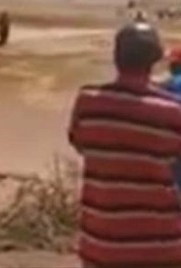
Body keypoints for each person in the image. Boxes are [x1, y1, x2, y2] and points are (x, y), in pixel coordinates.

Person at [69, 22, 181, 267]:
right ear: (155, 59)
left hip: (100, 245)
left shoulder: (87, 102)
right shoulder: (173, 112)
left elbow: (79, 143)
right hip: (158, 248)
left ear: (116, 57)